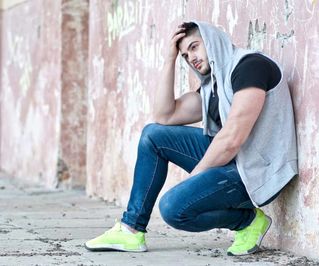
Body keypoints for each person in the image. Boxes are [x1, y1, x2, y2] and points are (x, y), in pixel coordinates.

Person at [85, 21, 298, 256]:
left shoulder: (250, 67)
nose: (192, 57)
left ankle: (247, 221)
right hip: (236, 162)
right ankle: (131, 230)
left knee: (173, 208)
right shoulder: (213, 85)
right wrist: (169, 59)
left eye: (195, 47)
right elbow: (164, 115)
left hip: (259, 171)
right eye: (186, 55)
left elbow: (232, 138)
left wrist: (195, 178)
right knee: (153, 135)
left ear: (212, 41)